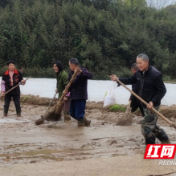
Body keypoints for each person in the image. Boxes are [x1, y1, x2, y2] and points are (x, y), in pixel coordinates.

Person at [110, 53, 170, 145]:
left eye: (140, 63)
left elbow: (162, 90)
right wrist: (118, 79)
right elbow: (130, 80)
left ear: (147, 62)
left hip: (152, 106)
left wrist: (153, 101)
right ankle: (166, 141)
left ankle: (150, 147)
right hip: (144, 104)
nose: (138, 65)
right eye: (137, 63)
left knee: (146, 128)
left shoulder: (155, 74)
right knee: (153, 127)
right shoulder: (139, 73)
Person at [64, 58, 93, 127]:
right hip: (73, 96)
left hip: (80, 96)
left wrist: (81, 72)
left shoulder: (83, 71)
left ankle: (80, 129)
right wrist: (66, 91)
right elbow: (69, 84)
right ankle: (86, 122)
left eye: (70, 65)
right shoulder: (71, 73)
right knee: (72, 113)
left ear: (73, 65)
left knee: (79, 115)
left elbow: (90, 75)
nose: (70, 67)